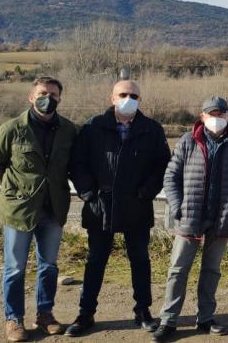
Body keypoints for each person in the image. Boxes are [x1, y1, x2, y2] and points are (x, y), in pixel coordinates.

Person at [65, 80, 170, 337]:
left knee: (140, 260)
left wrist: (146, 192)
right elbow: (78, 164)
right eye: (123, 94)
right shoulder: (92, 127)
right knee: (95, 261)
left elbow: (162, 166)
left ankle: (143, 311)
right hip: (101, 206)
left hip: (137, 206)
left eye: (134, 95)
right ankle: (85, 313)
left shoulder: (151, 129)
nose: (128, 98)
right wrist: (89, 194)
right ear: (112, 98)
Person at [151, 96, 228, 342]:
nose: (217, 118)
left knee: (211, 271)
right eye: (212, 114)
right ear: (202, 116)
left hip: (221, 220)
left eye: (222, 114)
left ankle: (206, 318)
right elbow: (171, 178)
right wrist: (178, 206)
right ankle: (168, 320)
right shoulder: (188, 142)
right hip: (190, 218)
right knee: (178, 270)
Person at [0, 76, 77, 342]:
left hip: (53, 208)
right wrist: (15, 191)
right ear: (31, 96)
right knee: (14, 268)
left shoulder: (69, 130)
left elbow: (73, 164)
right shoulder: (12, 129)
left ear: (59, 98)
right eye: (41, 93)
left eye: (52, 94)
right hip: (20, 211)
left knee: (48, 265)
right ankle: (13, 320)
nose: (47, 98)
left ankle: (45, 315)